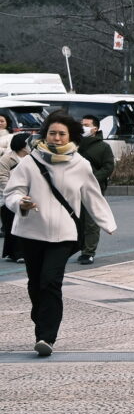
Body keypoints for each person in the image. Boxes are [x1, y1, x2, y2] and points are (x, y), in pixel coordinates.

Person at [4, 113, 116, 356]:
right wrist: (20, 202)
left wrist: (107, 222)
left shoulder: (80, 164)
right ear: (45, 134)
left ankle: (46, 337)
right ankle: (42, 320)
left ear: (71, 136)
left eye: (61, 134)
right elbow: (11, 193)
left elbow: (92, 196)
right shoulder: (30, 162)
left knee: (50, 281)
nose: (56, 137)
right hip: (31, 232)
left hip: (63, 234)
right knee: (36, 284)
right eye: (52, 133)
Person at [73, 116, 116, 266]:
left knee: (91, 220)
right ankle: (79, 247)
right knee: (76, 219)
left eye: (86, 125)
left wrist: (93, 180)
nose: (82, 127)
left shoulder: (103, 147)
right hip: (73, 187)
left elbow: (108, 167)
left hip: (94, 187)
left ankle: (88, 252)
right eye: (81, 124)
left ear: (95, 129)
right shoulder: (73, 144)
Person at [0, 131, 23, 263]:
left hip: (23, 196)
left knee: (19, 225)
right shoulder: (7, 158)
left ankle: (14, 253)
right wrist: (12, 191)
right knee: (11, 226)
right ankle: (16, 253)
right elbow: (2, 177)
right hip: (7, 197)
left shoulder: (31, 158)